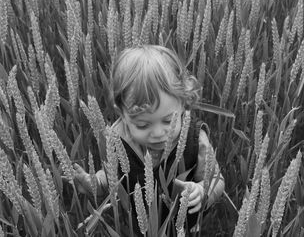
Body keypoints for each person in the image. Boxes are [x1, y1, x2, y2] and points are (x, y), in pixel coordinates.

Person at [74, 45, 225, 236]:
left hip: (186, 226)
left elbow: (216, 178)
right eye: (143, 125)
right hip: (140, 227)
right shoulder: (118, 139)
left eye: (168, 121)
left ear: (184, 102)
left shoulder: (195, 139)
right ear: (122, 114)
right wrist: (95, 184)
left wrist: (204, 191)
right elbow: (113, 175)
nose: (158, 133)